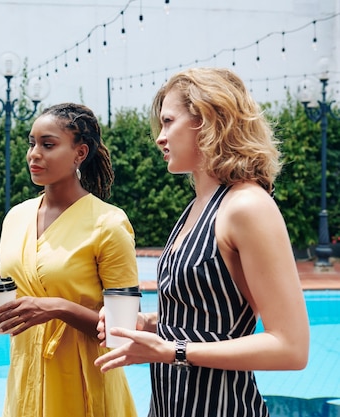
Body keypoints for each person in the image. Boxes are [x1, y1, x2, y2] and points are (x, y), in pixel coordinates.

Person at [94, 68, 310, 417]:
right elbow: (205, 314)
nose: (159, 138)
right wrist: (147, 324)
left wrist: (173, 351)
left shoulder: (247, 206)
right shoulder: (197, 208)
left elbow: (291, 347)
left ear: (209, 120)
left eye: (168, 122)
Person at [0, 103, 139, 416]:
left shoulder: (108, 224)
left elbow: (125, 330)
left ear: (79, 153)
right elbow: (16, 291)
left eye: (48, 145)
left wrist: (57, 308)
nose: (34, 154)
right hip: (25, 383)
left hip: (86, 384)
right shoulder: (15, 218)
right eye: (32, 143)